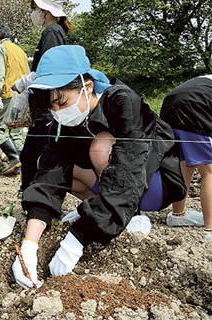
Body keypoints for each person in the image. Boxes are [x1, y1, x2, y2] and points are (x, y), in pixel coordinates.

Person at [11, 45, 186, 289]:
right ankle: (102, 208)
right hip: (113, 181)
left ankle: (129, 215)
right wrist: (30, 245)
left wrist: (78, 237)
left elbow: (128, 170)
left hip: (154, 185)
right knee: (47, 162)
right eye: (52, 106)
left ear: (87, 87)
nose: (58, 112)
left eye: (62, 102)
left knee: (101, 147)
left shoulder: (121, 101)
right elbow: (48, 180)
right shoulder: (63, 123)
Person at [13, 0, 74, 192]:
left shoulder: (52, 32)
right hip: (42, 111)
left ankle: (41, 200)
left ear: (44, 10)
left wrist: (24, 82)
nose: (33, 13)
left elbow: (49, 69)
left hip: (47, 109)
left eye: (35, 9)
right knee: (28, 156)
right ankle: (28, 195)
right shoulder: (53, 32)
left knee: (41, 158)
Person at [160, 75, 212, 242]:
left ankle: (178, 214)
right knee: (209, 171)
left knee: (184, 163)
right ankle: (210, 229)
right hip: (195, 106)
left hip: (171, 103)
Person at [0, 22, 29, 175]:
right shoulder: (20, 51)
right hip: (23, 96)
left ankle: (14, 158)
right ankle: (25, 166)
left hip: (8, 95)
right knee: (16, 133)